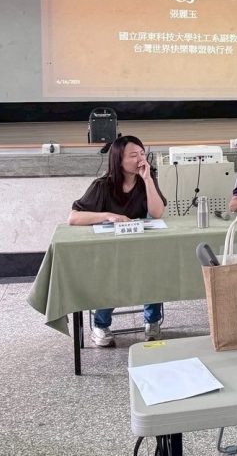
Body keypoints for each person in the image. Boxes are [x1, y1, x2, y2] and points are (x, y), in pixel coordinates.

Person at [68, 135, 167, 346]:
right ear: (118, 160)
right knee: (113, 273)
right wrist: (107, 216)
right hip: (109, 251)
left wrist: (148, 180)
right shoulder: (102, 185)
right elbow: (73, 218)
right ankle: (100, 324)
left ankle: (152, 322)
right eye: (133, 155)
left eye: (142, 154)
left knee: (154, 267)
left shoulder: (147, 180)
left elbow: (157, 213)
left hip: (139, 247)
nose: (140, 159)